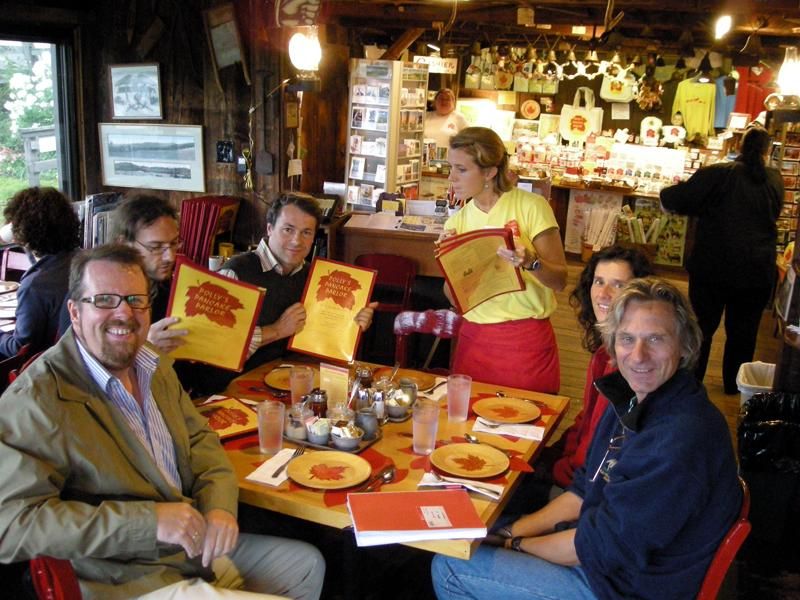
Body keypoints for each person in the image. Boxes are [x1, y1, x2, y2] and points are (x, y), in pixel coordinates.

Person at [0, 244, 325, 599]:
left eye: (136, 300)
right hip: (121, 578)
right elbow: (12, 526)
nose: (124, 313)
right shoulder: (38, 397)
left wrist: (218, 506)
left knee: (306, 565)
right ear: (75, 312)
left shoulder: (151, 365)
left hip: (186, 552)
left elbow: (201, 441)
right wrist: (149, 522)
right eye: (105, 300)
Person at [432, 277, 741, 600]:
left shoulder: (679, 439)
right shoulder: (632, 397)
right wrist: (512, 530)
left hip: (627, 587)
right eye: (626, 338)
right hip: (611, 560)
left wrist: (516, 544)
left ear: (685, 345)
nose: (638, 355)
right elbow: (583, 490)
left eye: (655, 339)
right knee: (480, 529)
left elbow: (600, 548)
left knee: (450, 567)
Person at [439, 126, 567, 392]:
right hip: (474, 340)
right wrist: (452, 262)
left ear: (489, 171)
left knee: (527, 424)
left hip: (524, 343)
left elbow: (560, 280)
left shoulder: (531, 206)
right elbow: (454, 298)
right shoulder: (457, 222)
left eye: (461, 169)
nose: (451, 177)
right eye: (450, 167)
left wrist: (531, 261)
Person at [660, 124, 783, 394]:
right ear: (766, 150)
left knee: (701, 328)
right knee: (744, 334)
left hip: (712, 268)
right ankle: (734, 386)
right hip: (756, 270)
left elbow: (673, 197)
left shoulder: (717, 174)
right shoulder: (774, 180)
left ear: (739, 146)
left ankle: (691, 384)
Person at [219, 192, 376, 371]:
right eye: (288, 229)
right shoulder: (235, 273)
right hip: (232, 387)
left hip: (292, 379)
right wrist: (277, 330)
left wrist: (351, 325)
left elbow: (323, 341)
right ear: (269, 228)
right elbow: (219, 346)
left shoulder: (316, 277)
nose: (297, 241)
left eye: (306, 232)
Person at [547, 245, 653, 490]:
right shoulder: (604, 353)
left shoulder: (633, 368)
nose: (603, 294)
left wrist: (559, 469)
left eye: (617, 285)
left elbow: (606, 450)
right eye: (598, 281)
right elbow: (586, 421)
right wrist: (555, 458)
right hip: (576, 473)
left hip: (587, 489)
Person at [0, 186, 80, 358]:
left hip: (45, 366)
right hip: (74, 357)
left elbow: (20, 348)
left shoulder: (35, 285)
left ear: (23, 233)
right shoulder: (84, 259)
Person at [114, 193, 189, 354]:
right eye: (155, 247)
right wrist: (143, 346)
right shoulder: (98, 295)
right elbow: (83, 368)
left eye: (174, 243)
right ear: (124, 245)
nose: (170, 257)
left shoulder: (165, 287)